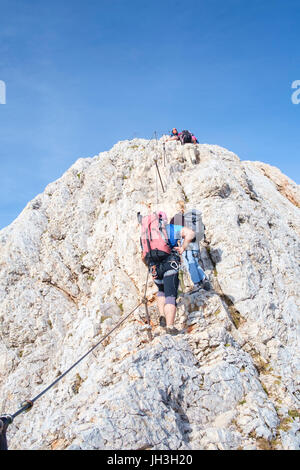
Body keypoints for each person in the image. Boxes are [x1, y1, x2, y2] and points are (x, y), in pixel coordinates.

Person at [139, 211, 196, 335]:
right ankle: (170, 327)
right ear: (163, 220)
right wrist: (182, 248)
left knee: (161, 291)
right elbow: (190, 233)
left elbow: (143, 256)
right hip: (170, 263)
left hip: (154, 266)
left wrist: (149, 266)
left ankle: (162, 317)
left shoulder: (145, 235)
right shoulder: (170, 228)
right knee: (170, 294)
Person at [170, 203, 210, 293]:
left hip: (186, 242)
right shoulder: (190, 218)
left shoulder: (176, 219)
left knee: (189, 263)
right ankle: (204, 279)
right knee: (195, 262)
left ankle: (197, 284)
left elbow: (174, 234)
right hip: (195, 241)